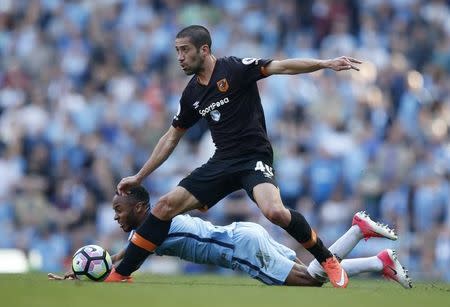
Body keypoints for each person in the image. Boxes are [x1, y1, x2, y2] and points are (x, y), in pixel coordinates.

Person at [111, 25, 362, 287]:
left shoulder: (234, 69)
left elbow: (283, 66)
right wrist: (140, 176)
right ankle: (120, 274)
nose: (180, 57)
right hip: (222, 161)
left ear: (204, 49)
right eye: (177, 51)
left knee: (275, 212)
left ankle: (327, 259)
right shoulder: (192, 94)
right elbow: (171, 137)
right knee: (164, 207)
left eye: (185, 50)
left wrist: (325, 63)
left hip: (253, 157)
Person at [48, 186, 412, 288]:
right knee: (314, 273)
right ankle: (378, 261)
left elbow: (122, 267)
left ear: (140, 207)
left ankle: (358, 229)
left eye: (119, 210)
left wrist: (92, 275)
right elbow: (123, 257)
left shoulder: (150, 228)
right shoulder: (151, 228)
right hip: (244, 235)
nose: (115, 216)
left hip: (242, 250)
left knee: (313, 281)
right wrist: (84, 271)